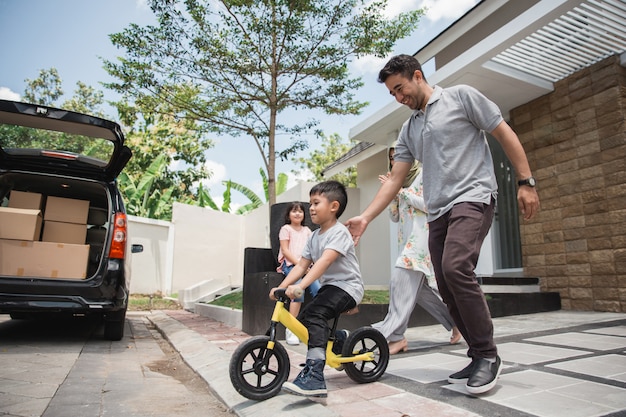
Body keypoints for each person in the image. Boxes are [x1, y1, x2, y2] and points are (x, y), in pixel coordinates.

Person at [345, 54, 540, 395]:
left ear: (417, 76)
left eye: (400, 88)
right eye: (392, 93)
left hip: (474, 197)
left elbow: (503, 131)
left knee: (455, 267)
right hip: (437, 212)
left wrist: (525, 181)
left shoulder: (461, 97)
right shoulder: (410, 129)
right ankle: (478, 352)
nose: (398, 97)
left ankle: (489, 356)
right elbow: (394, 180)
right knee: (446, 285)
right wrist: (366, 217)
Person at [270, 180, 364, 398]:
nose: (310, 208)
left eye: (315, 203)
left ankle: (314, 376)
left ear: (334, 206)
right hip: (331, 287)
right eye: (310, 203)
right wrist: (281, 287)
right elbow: (301, 265)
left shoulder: (339, 233)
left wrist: (301, 287)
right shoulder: (314, 236)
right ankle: (339, 340)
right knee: (304, 319)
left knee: (314, 314)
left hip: (348, 287)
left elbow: (324, 262)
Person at [373, 145, 461, 355]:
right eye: (392, 158)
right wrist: (391, 193)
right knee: (421, 292)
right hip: (407, 242)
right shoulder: (398, 182)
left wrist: (400, 192)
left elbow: (432, 205)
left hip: (423, 239)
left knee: (399, 281)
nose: (395, 161)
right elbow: (395, 217)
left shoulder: (424, 174)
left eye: (400, 156)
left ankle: (395, 336)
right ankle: (459, 322)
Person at [276, 201, 321, 345]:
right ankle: (291, 328)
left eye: (300, 211)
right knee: (297, 291)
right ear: (289, 214)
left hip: (307, 266)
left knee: (319, 290)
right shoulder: (286, 229)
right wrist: (300, 265)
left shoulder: (307, 231)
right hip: (290, 265)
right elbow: (285, 250)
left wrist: (309, 266)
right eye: (294, 211)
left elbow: (312, 250)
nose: (297, 213)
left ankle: (316, 326)